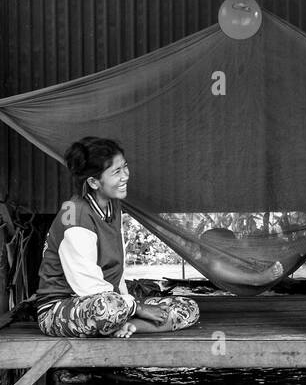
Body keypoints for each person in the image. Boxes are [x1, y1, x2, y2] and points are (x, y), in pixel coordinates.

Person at [36, 137, 200, 338]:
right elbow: (89, 288)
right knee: (108, 309)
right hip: (63, 308)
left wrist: (127, 303)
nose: (125, 176)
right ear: (94, 182)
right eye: (116, 172)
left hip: (114, 302)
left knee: (187, 308)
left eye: (125, 167)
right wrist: (136, 308)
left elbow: (117, 270)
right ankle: (121, 319)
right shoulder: (75, 215)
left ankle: (129, 327)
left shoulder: (113, 205)